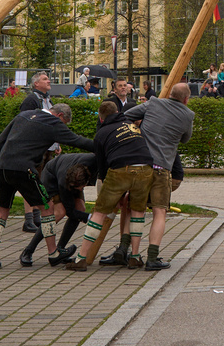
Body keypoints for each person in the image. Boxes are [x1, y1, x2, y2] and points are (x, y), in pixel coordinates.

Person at [0, 101, 97, 269]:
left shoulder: (24, 115)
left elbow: (1, 140)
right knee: (47, 208)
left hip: (2, 167)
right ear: (60, 116)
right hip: (25, 169)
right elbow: (77, 141)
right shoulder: (53, 123)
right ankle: (53, 253)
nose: (63, 127)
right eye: (64, 124)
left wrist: (2, 161)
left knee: (2, 212)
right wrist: (102, 147)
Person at [67, 100, 157, 269]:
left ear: (101, 118)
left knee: (99, 212)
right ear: (118, 112)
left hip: (120, 169)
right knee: (138, 211)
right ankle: (135, 257)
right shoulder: (131, 126)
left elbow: (102, 164)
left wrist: (103, 184)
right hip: (145, 168)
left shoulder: (102, 133)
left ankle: (81, 259)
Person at [125, 83, 196, 269]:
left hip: (141, 165)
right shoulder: (188, 115)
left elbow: (127, 116)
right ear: (186, 99)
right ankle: (152, 257)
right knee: (159, 212)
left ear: (170, 93)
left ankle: (132, 254)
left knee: (136, 210)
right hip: (162, 167)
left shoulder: (153, 104)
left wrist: (140, 130)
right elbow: (186, 139)